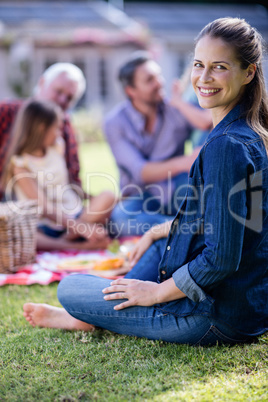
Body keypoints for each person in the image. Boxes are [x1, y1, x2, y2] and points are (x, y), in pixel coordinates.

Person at [23, 17, 268, 346]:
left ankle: (86, 315)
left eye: (219, 67)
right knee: (156, 242)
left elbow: (222, 258)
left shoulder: (226, 145)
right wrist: (157, 229)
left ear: (249, 72)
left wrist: (155, 294)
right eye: (198, 64)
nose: (204, 78)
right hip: (247, 306)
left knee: (71, 288)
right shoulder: (246, 133)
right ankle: (111, 303)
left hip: (216, 315)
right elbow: (229, 222)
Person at [0, 62, 114, 250]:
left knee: (107, 197)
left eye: (69, 97)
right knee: (20, 231)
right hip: (41, 221)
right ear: (41, 128)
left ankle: (70, 238)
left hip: (71, 213)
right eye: (58, 91)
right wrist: (82, 227)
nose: (62, 99)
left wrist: (94, 203)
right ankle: (70, 244)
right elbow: (42, 206)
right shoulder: (20, 162)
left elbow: (70, 182)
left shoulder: (59, 144)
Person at [104, 52, 212, 236]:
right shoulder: (115, 122)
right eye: (149, 80)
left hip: (180, 188)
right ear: (131, 90)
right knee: (121, 217)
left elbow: (208, 122)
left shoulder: (174, 109)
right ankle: (181, 228)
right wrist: (183, 163)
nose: (159, 83)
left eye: (158, 76)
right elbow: (141, 171)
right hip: (142, 195)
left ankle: (179, 228)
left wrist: (178, 101)